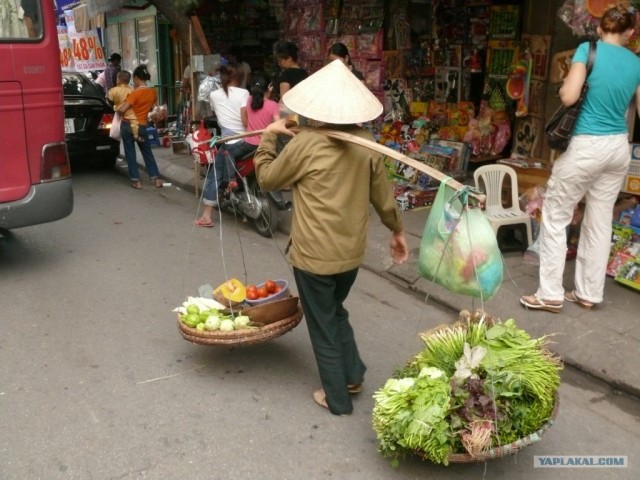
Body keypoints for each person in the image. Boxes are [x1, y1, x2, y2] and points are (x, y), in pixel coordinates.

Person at [254, 59, 409, 416]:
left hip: (313, 257)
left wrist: (268, 136)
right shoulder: (367, 142)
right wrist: (397, 230)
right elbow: (384, 197)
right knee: (334, 311)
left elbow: (266, 179)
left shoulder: (305, 144)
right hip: (350, 255)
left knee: (322, 322)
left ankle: (337, 398)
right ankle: (352, 374)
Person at [520, 4, 640, 313]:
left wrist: (570, 85)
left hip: (587, 144)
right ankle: (589, 293)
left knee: (557, 215)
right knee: (600, 220)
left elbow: (569, 96)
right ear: (629, 33)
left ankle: (549, 293)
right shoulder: (636, 62)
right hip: (618, 146)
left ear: (600, 29)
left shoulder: (588, 49)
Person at [194, 62, 252, 227]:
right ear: (239, 78)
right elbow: (244, 120)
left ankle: (206, 216)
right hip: (245, 139)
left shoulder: (214, 95)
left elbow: (216, 113)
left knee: (213, 177)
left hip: (228, 142)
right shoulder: (244, 93)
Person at [116, 65, 164, 190]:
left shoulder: (135, 93)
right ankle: (156, 179)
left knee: (130, 153)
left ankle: (136, 181)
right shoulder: (153, 92)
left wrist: (118, 109)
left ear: (136, 78)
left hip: (128, 125)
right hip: (142, 126)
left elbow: (123, 110)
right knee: (147, 151)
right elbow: (154, 109)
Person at [108, 70, 142, 143]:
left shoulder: (113, 90)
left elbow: (109, 101)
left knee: (128, 146)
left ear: (118, 79)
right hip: (135, 119)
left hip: (123, 120)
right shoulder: (133, 90)